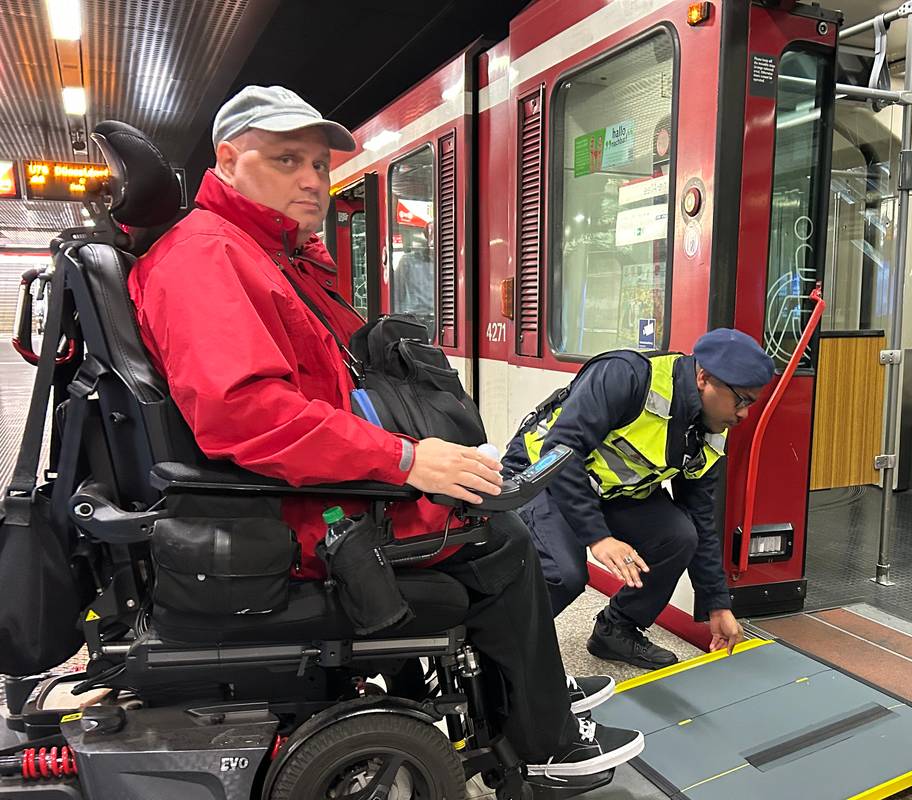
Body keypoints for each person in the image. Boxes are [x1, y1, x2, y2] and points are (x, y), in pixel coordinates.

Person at [126, 85, 642, 778]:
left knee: (482, 496)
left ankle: (531, 690)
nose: (312, 180)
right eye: (287, 160)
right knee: (503, 540)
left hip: (307, 487)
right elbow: (245, 413)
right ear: (229, 157)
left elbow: (344, 367)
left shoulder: (269, 253)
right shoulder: (209, 257)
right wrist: (405, 460)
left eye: (319, 164)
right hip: (297, 513)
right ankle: (543, 740)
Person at [504, 329, 772, 669]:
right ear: (704, 378)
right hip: (542, 474)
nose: (744, 414)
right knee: (564, 573)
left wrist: (717, 605)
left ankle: (616, 630)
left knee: (680, 536)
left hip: (613, 493)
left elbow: (701, 518)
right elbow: (562, 451)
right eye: (742, 400)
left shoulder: (710, 431)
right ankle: (501, 650)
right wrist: (599, 538)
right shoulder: (627, 375)